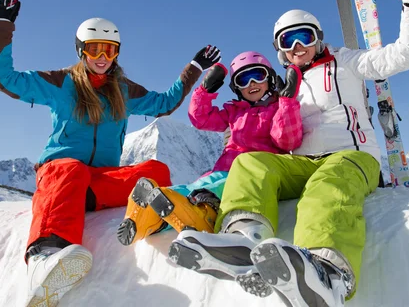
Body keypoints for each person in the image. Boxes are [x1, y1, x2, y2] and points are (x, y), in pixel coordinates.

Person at [168, 0, 409, 306]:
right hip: (304, 162)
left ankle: (328, 275)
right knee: (251, 163)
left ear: (319, 38)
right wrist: (286, 100)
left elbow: (404, 54)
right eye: (288, 43)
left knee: (327, 186)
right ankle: (246, 240)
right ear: (279, 52)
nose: (298, 48)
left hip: (351, 157)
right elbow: (284, 140)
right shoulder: (284, 87)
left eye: (304, 37)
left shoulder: (348, 61)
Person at [0, 0, 221, 307]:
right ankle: (45, 257)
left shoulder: (124, 91)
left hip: (99, 182)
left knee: (156, 170)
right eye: (94, 48)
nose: (102, 56)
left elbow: (165, 103)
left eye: (109, 50)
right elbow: (7, 79)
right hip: (62, 173)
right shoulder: (60, 83)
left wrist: (194, 67)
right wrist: (4, 23)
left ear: (116, 54)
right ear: (81, 50)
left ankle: (126, 211)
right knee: (69, 169)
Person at [117, 51, 304, 245]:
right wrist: (205, 91)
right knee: (195, 186)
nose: (251, 84)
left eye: (257, 76)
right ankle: (149, 215)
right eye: (243, 80)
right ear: (236, 88)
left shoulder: (277, 109)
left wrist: (287, 102)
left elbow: (287, 140)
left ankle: (196, 214)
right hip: (224, 170)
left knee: (210, 189)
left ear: (271, 79)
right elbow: (201, 118)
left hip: (253, 175)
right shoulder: (234, 111)